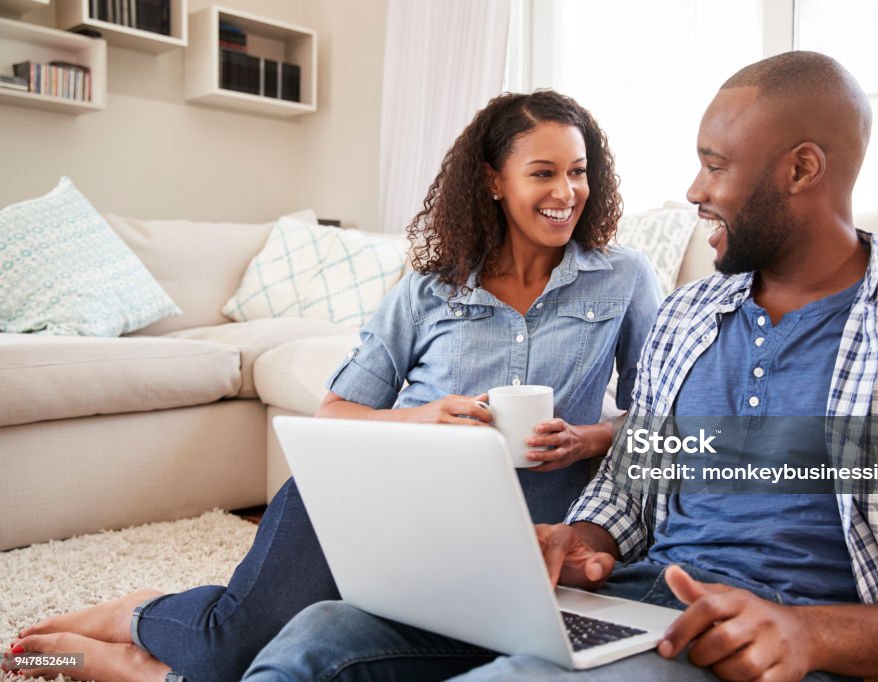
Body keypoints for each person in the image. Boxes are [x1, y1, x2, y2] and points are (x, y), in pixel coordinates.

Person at [239, 51, 878, 682]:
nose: (693, 191)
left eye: (715, 166)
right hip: (643, 598)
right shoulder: (689, 316)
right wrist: (579, 541)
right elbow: (630, 489)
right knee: (321, 638)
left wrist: (808, 633)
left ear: (801, 169)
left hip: (775, 638)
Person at [5, 90, 662, 682]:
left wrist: (589, 439)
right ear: (493, 181)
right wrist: (422, 419)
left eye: (578, 171)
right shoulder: (431, 291)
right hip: (369, 499)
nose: (567, 191)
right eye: (543, 172)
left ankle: (140, 671)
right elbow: (334, 412)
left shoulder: (623, 278)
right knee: (225, 647)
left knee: (285, 664)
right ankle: (138, 615)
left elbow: (661, 420)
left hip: (505, 537)